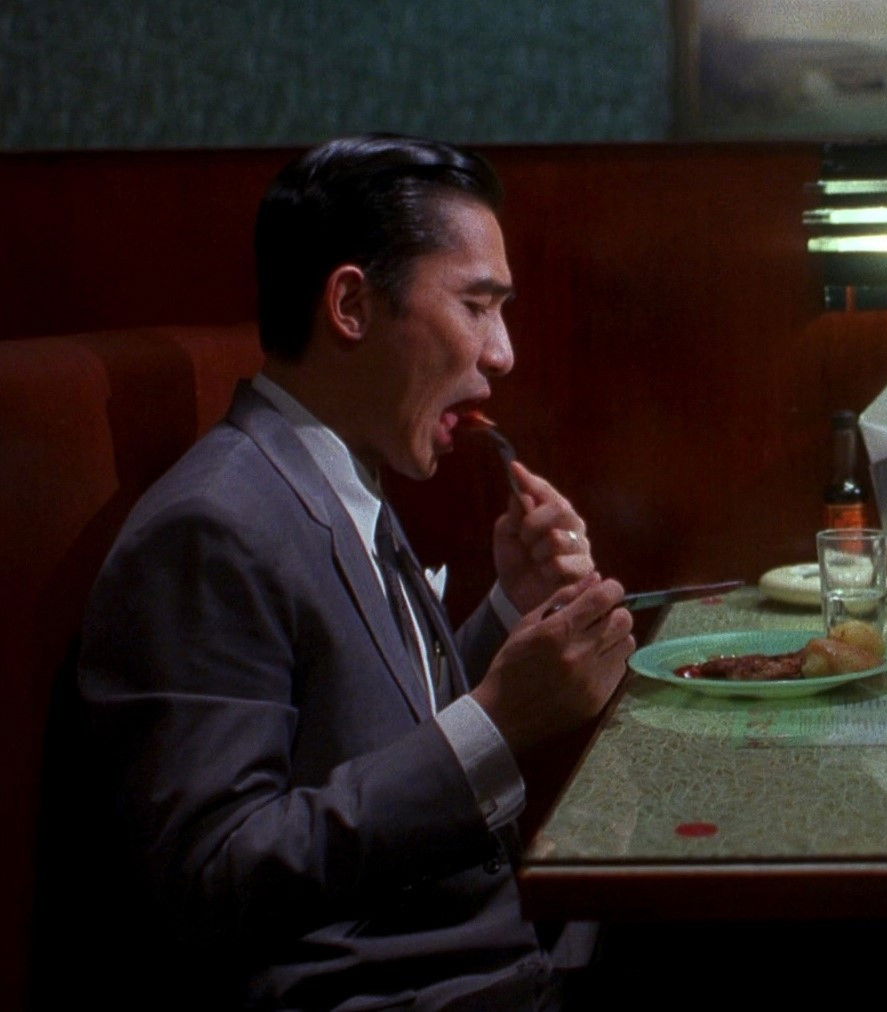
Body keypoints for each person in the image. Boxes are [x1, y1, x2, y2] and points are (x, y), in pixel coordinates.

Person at [75, 134, 635, 1008]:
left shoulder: (338, 470)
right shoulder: (212, 525)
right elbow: (210, 875)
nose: (503, 353)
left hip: (496, 956)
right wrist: (498, 720)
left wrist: (509, 610)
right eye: (477, 306)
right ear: (350, 305)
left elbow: (362, 726)